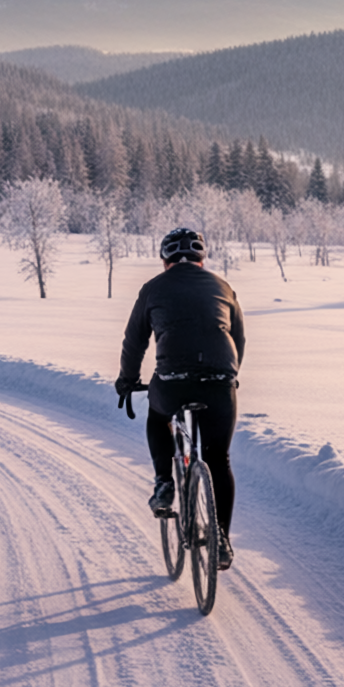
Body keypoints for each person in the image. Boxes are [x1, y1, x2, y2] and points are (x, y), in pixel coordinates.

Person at [115, 226, 244, 569]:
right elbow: (238, 339)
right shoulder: (224, 287)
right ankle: (222, 540)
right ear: (202, 259)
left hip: (173, 382)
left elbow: (134, 342)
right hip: (220, 383)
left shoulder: (153, 289)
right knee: (219, 458)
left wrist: (127, 381)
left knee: (158, 417)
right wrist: (229, 377)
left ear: (164, 260)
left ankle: (163, 482)